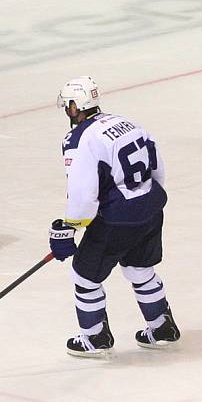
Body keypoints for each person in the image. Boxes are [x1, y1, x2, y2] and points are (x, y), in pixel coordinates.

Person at [48, 76, 180, 357]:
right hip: (151, 206)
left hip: (117, 218)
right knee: (139, 269)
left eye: (68, 105)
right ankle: (162, 328)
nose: (67, 111)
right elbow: (157, 168)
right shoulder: (128, 123)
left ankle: (94, 338)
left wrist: (70, 226)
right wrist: (147, 202)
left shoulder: (78, 139)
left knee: (85, 276)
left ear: (75, 105)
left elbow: (83, 193)